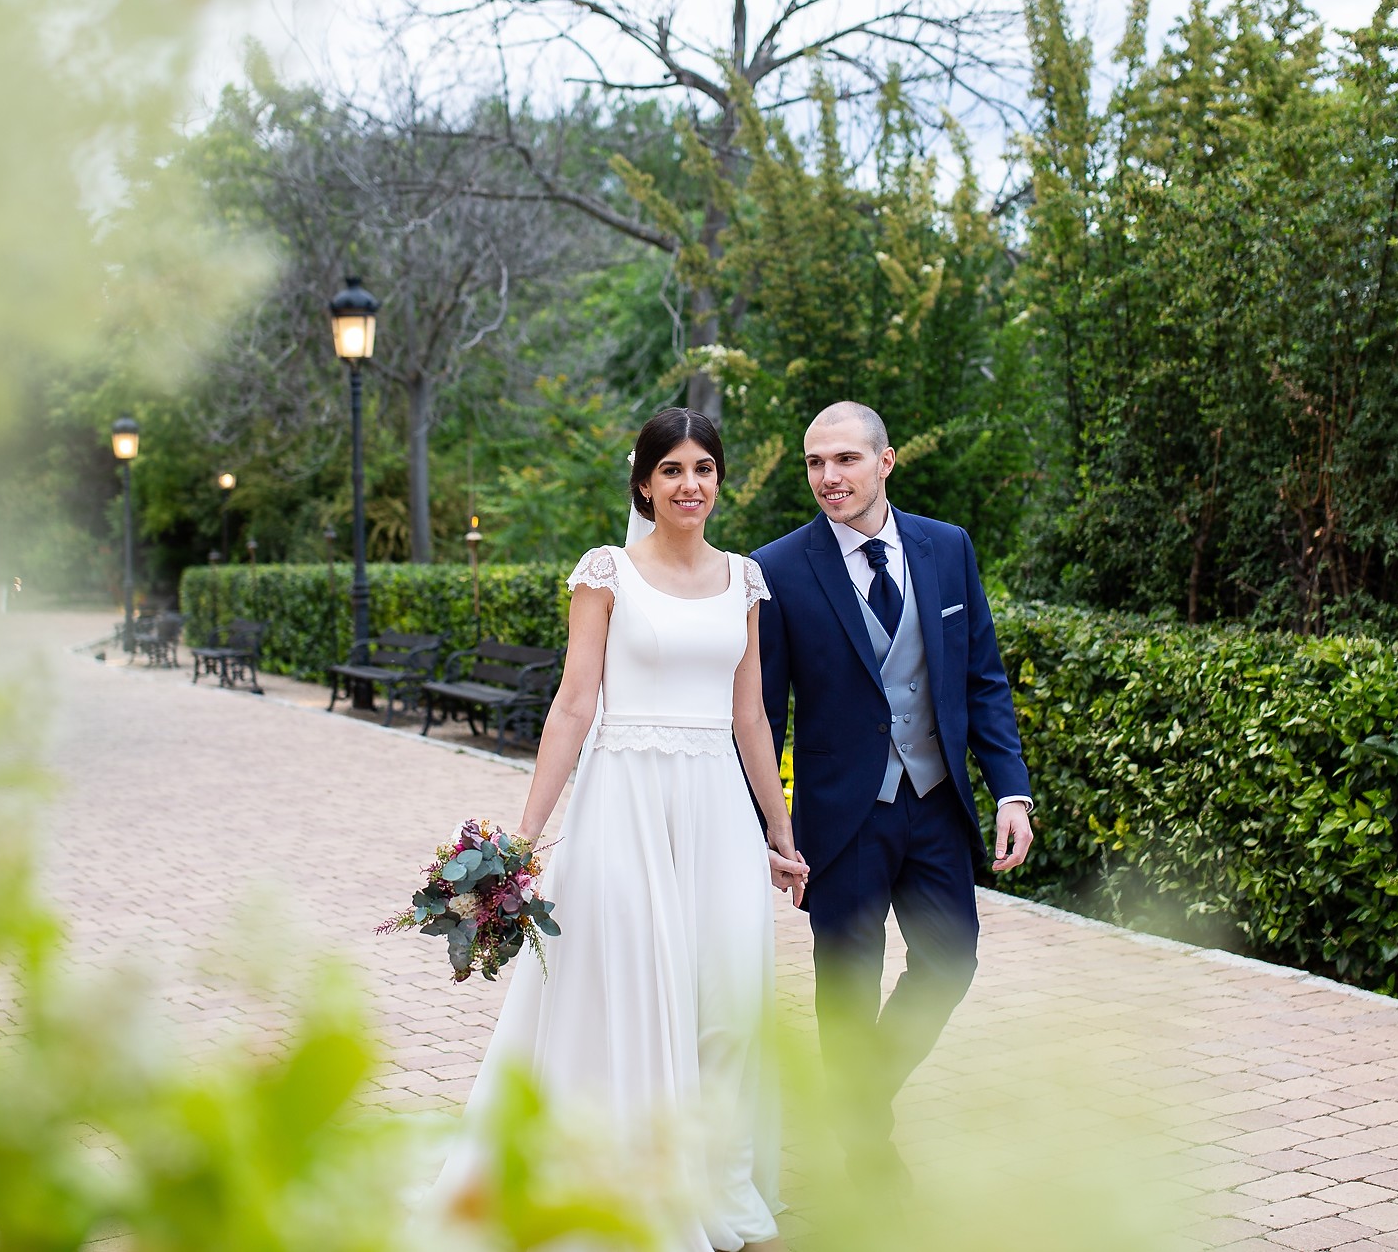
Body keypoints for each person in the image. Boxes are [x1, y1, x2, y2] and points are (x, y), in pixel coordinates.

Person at [433, 407, 807, 1252]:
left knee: (727, 1002)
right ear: (644, 483)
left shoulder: (745, 580)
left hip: (717, 808)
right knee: (643, 993)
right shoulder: (607, 573)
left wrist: (779, 837)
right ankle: (639, 1191)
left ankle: (727, 1191)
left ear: (720, 480)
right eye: (671, 469)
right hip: (625, 803)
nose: (689, 484)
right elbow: (574, 704)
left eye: (703, 468)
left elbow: (751, 716)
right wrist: (522, 839)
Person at [752, 400, 1036, 1185]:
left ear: (886, 461)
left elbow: (983, 678)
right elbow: (762, 714)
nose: (828, 476)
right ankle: (868, 1153)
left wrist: (1012, 792)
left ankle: (855, 1097)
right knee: (847, 987)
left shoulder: (948, 547)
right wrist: (769, 826)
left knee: (951, 961)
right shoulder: (776, 568)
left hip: (935, 801)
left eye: (845, 458)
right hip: (840, 817)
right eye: (815, 462)